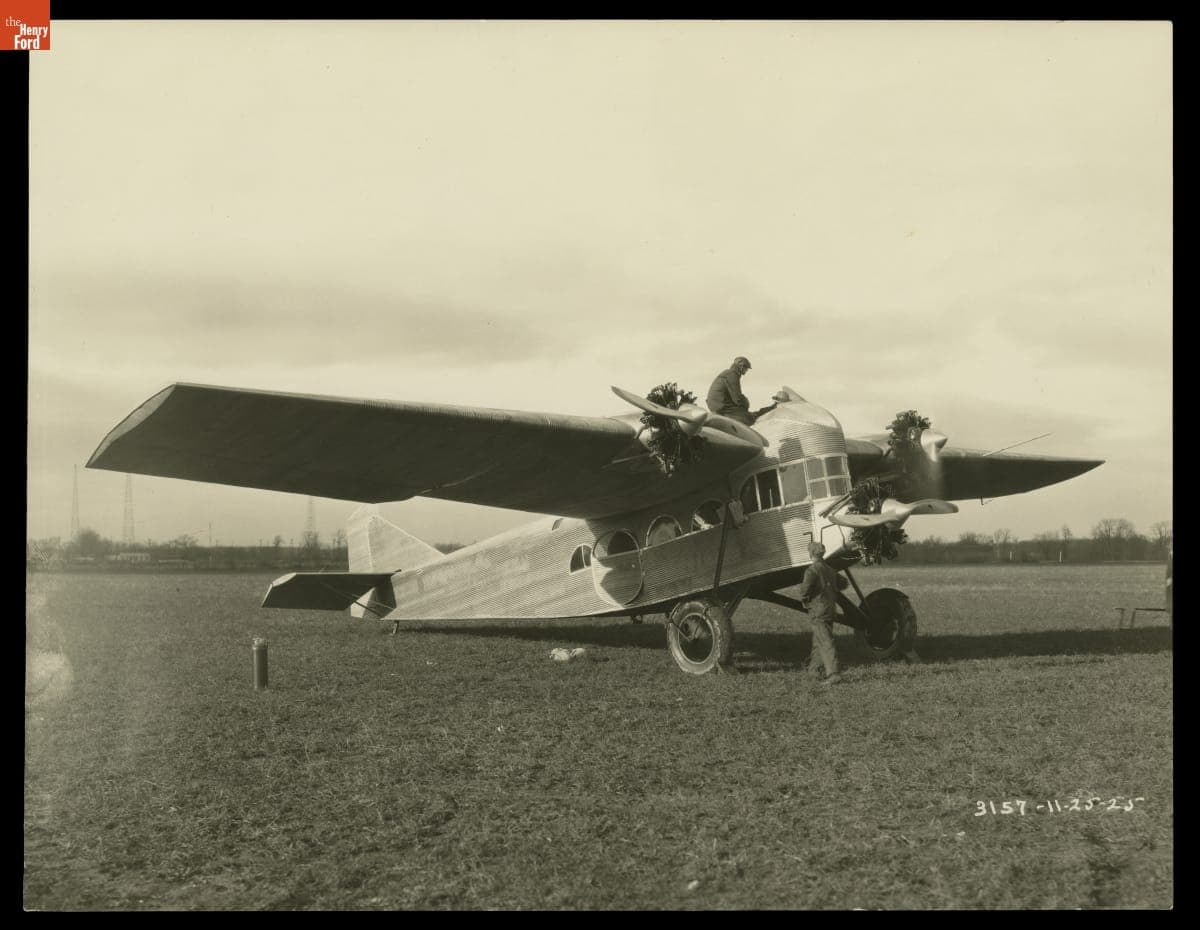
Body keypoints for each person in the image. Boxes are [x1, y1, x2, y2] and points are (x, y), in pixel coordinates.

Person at [797, 540, 842, 684]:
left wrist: (805, 599)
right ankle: (814, 672)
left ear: (810, 553)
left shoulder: (812, 570)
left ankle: (833, 673)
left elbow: (804, 590)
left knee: (825, 641)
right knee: (818, 641)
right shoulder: (830, 569)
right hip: (830, 608)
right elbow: (843, 583)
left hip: (818, 609)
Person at [706, 356, 755, 425]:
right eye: (746, 368)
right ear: (741, 366)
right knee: (748, 418)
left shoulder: (729, 373)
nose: (746, 371)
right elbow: (737, 398)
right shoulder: (732, 375)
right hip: (721, 406)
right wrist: (745, 403)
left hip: (716, 404)